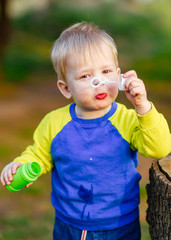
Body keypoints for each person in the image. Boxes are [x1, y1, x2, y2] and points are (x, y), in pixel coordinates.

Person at [1, 22, 171, 240]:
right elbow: (38, 155)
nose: (97, 83)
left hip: (120, 225)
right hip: (68, 225)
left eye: (106, 72)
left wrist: (143, 107)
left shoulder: (128, 119)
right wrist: (22, 166)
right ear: (65, 88)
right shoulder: (54, 123)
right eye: (85, 76)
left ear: (119, 76)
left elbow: (159, 148)